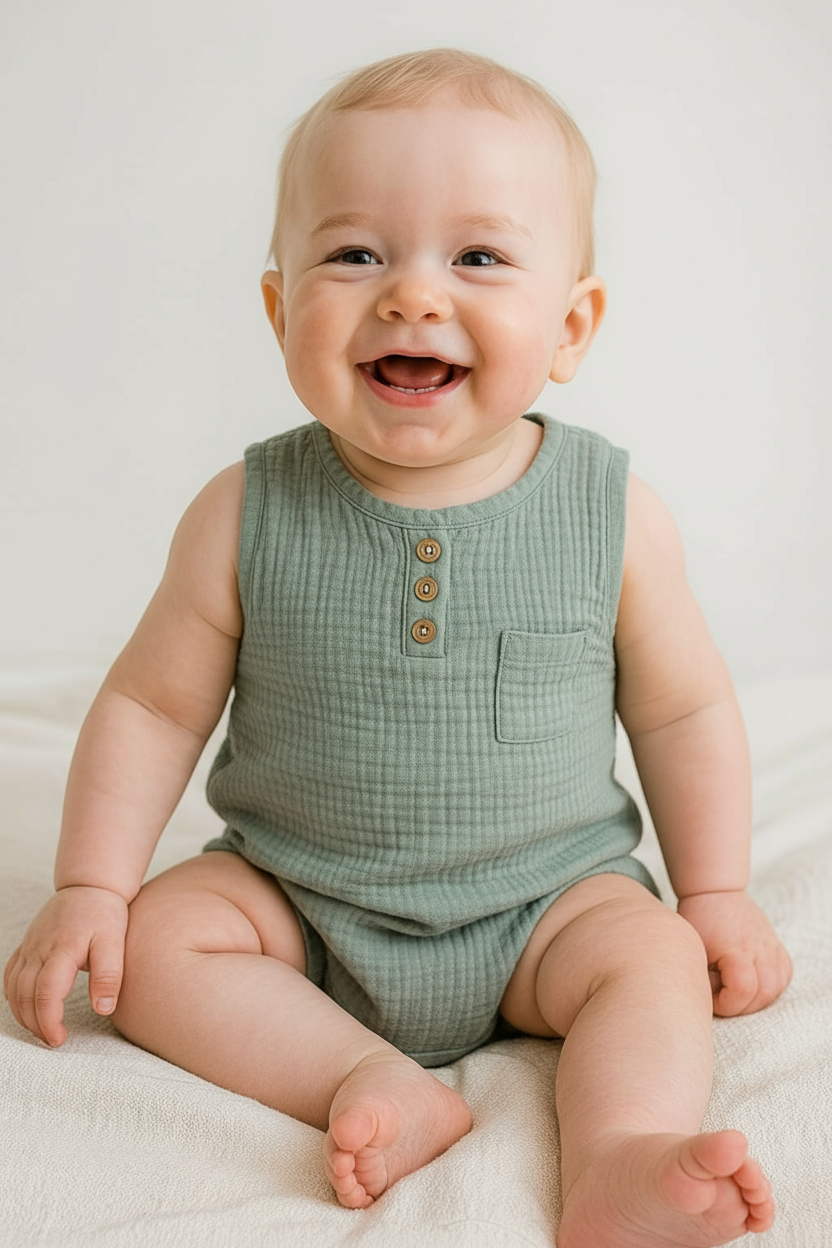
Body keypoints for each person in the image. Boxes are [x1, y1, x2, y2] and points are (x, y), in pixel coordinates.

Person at [3, 48, 792, 1248]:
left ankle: (620, 1157)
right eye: (355, 253)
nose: (412, 296)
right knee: (162, 944)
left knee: (654, 962)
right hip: (299, 902)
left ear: (570, 324)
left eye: (476, 257)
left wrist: (717, 890)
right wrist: (94, 886)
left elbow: (682, 712)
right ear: (280, 311)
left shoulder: (610, 513)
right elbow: (152, 708)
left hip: (546, 912)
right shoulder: (243, 509)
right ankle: (364, 1081)